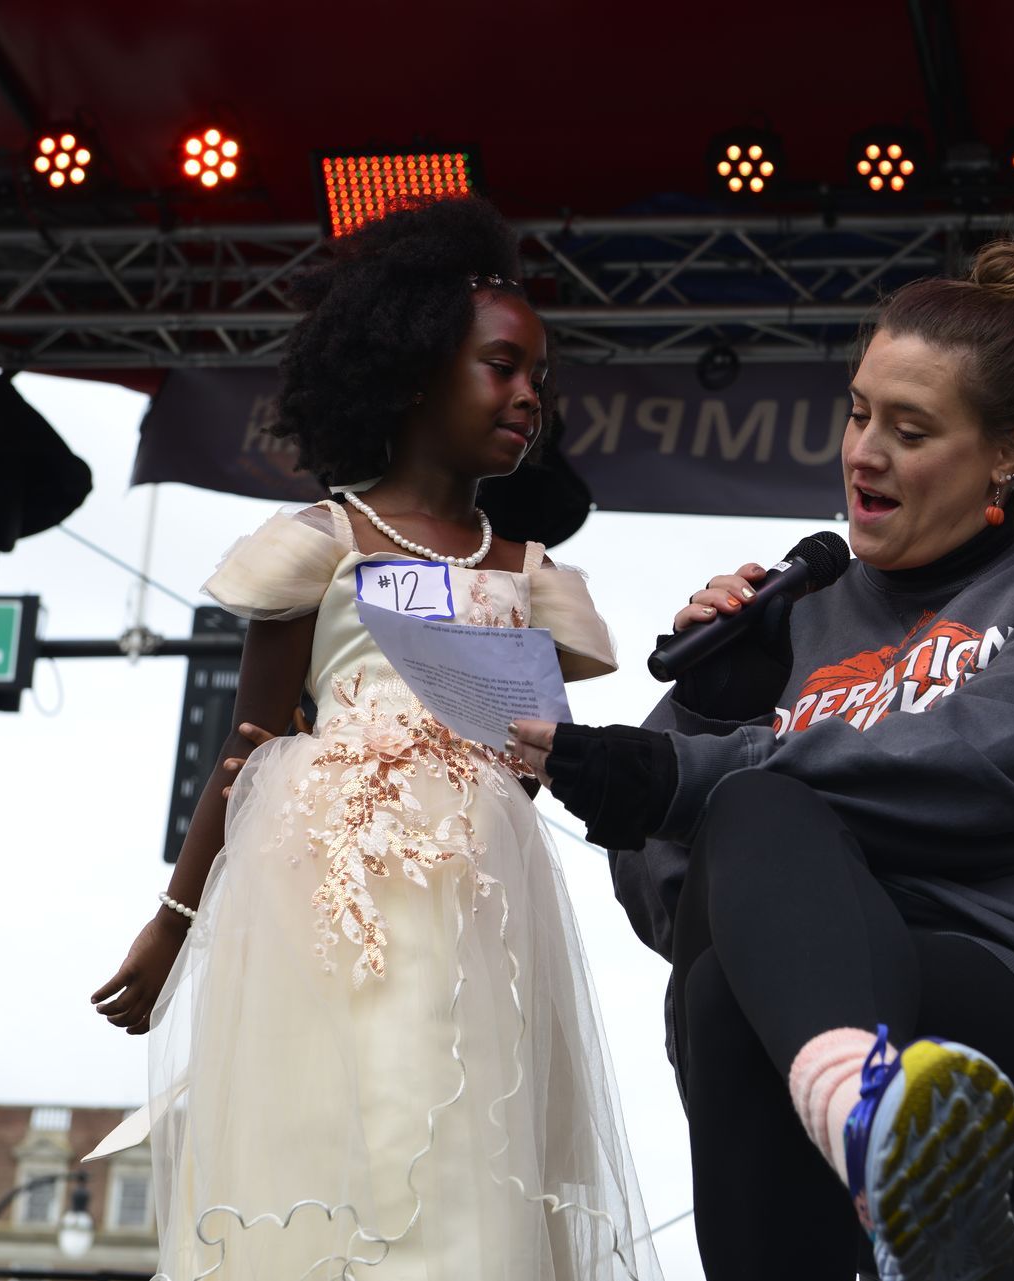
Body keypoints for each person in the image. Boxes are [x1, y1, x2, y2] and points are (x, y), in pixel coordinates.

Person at [507, 240, 1014, 1281]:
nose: (864, 452)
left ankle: (870, 1124)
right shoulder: (797, 618)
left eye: (911, 429)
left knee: (755, 842)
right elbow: (676, 900)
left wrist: (703, 774)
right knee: (723, 993)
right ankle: (876, 1129)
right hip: (841, 1023)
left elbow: (982, 766)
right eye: (858, 413)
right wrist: (710, 702)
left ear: (1007, 451)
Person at [89, 197, 659, 1281]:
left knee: (461, 1155)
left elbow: (539, 761)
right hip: (320, 896)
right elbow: (248, 746)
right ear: (411, 371)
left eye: (541, 375)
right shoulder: (319, 545)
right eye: (502, 367)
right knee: (325, 1147)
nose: (530, 396)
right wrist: (172, 924)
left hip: (477, 909)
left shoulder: (531, 577)